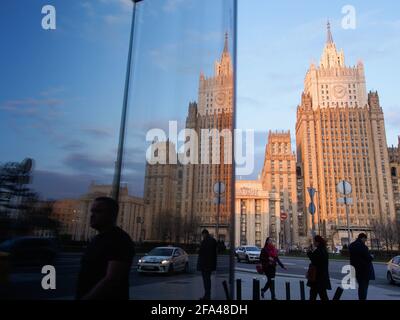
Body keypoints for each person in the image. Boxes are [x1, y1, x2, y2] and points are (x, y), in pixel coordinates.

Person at [76, 197, 135, 300]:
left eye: (98, 211)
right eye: (92, 211)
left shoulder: (119, 239)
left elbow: (112, 278)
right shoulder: (96, 239)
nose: (92, 215)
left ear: (112, 215)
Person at [349, 233, 375, 300]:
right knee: (364, 287)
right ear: (363, 238)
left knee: (360, 286)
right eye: (365, 240)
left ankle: (361, 298)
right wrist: (371, 257)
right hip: (364, 270)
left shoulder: (351, 245)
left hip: (356, 269)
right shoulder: (363, 247)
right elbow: (368, 258)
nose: (365, 241)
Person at [306, 235, 331, 300]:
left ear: (318, 242)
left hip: (318, 277)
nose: (313, 243)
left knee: (318, 295)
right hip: (320, 277)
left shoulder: (320, 250)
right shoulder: (322, 249)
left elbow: (314, 260)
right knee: (320, 295)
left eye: (314, 241)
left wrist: (309, 252)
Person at [197, 229, 217, 300]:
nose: (202, 236)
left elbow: (201, 252)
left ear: (204, 234)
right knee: (208, 280)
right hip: (210, 265)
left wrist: (198, 249)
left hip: (205, 265)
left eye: (202, 235)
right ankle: (208, 295)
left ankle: (207, 295)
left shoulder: (204, 241)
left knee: (206, 281)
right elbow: (215, 253)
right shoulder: (213, 241)